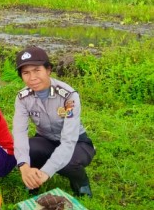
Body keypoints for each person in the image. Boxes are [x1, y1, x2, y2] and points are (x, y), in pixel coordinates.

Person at [12, 46, 95, 197]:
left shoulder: (68, 96)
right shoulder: (22, 98)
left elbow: (69, 140)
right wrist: (24, 166)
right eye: (26, 73)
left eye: (37, 70)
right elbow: (19, 133)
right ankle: (33, 179)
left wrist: (47, 172)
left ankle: (81, 182)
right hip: (46, 139)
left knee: (69, 161)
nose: (32, 78)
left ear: (48, 70)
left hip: (77, 142)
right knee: (29, 148)